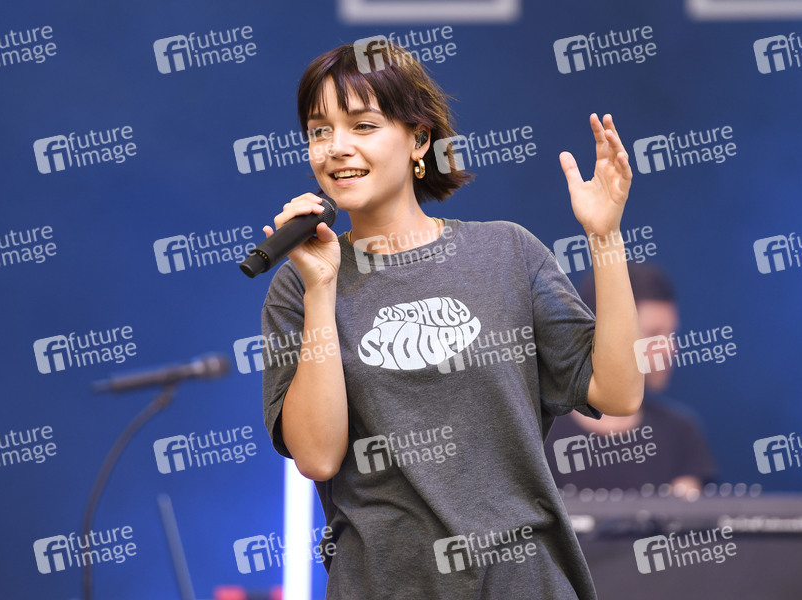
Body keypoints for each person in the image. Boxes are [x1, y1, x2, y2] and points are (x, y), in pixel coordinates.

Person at [260, 42, 643, 599]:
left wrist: (605, 238)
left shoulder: (507, 252)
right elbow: (317, 456)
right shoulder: (299, 282)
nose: (336, 148)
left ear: (419, 139)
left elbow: (618, 392)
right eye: (320, 131)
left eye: (363, 125)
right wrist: (321, 288)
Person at [546, 263, 718, 495]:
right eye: (654, 334)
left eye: (672, 334)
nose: (670, 348)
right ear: (603, 333)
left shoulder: (680, 433)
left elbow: (688, 513)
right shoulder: (539, 434)